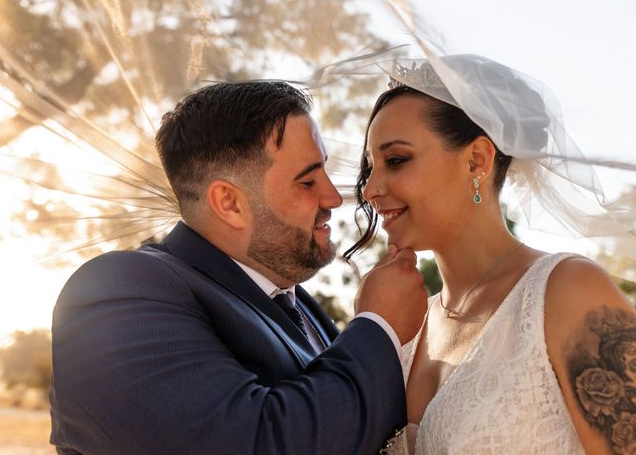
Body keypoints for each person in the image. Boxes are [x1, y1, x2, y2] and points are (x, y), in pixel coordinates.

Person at [49, 81, 428, 455]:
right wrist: (379, 327)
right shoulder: (118, 289)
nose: (333, 197)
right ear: (229, 203)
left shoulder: (299, 304)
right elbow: (254, 442)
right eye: (308, 180)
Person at [346, 56, 636, 454]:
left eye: (395, 160)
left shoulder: (567, 292)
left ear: (477, 160)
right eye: (370, 168)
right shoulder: (401, 331)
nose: (370, 189)